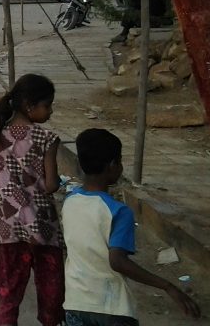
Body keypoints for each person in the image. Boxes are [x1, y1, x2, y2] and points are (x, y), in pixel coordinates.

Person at [62, 129, 200, 325]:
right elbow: (117, 261)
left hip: (75, 303)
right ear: (112, 165)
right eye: (119, 161)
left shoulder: (70, 202)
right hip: (110, 307)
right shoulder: (118, 211)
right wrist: (167, 286)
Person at [0, 73, 64, 326]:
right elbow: (52, 185)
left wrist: (5, 186)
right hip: (42, 227)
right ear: (29, 106)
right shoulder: (46, 139)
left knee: (8, 296)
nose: (50, 111)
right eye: (47, 105)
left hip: (9, 226)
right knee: (51, 295)